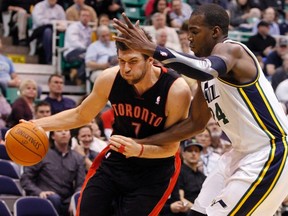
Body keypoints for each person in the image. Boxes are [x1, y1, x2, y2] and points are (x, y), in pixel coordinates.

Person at [112, 3, 288, 215]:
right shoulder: (205, 79)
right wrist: (141, 142)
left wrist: (149, 47)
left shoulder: (231, 49)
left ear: (215, 32)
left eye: (195, 31)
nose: (189, 38)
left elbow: (204, 69)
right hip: (239, 153)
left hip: (270, 152)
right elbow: (195, 123)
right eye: (188, 32)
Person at [27, 30, 191, 215]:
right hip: (117, 160)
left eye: (133, 61)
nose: (126, 68)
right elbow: (81, 114)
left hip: (155, 170)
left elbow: (171, 148)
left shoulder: (176, 90)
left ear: (150, 59)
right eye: (121, 61)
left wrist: (140, 150)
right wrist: (37, 125)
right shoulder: (110, 78)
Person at [20, 129, 86, 216]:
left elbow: (81, 184)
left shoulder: (78, 158)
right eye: (59, 131)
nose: (63, 133)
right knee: (54, 199)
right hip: (45, 198)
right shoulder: (41, 155)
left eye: (66, 130)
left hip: (67, 200)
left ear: (70, 135)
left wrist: (74, 200)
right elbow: (25, 178)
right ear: (52, 136)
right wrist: (39, 192)